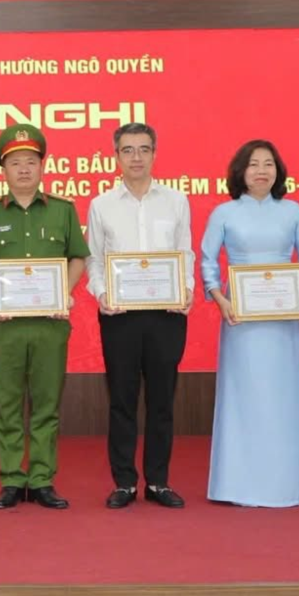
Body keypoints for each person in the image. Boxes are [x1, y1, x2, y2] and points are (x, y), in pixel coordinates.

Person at [199, 139, 299, 508]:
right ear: (241, 171)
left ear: (278, 171)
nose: (261, 171)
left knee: (285, 396)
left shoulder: (293, 210)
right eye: (253, 164)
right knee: (246, 396)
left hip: (284, 317)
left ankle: (294, 484)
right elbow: (207, 260)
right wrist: (219, 298)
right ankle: (239, 485)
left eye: (268, 164)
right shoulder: (224, 213)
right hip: (241, 318)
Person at [0, 125, 87, 510]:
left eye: (31, 162)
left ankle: (41, 478)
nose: (23, 169)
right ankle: (10, 478)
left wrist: (63, 292)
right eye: (15, 163)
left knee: (46, 404)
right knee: (6, 404)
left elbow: (77, 257)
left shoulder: (62, 209)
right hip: (4, 327)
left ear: (42, 166)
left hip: (50, 325)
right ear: (3, 169)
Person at [85, 121, 193, 510]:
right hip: (120, 315)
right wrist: (101, 293)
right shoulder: (101, 204)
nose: (136, 157)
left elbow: (185, 252)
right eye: (128, 150)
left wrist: (186, 289)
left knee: (162, 401)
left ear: (154, 154)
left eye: (144, 149)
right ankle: (125, 483)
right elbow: (94, 259)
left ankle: (159, 481)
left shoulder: (176, 200)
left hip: (167, 313)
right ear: (116, 156)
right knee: (122, 400)